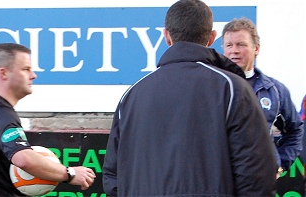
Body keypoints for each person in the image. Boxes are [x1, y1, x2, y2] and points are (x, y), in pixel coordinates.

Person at [102, 0, 278, 196]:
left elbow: (113, 176)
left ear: (167, 36)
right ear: (211, 38)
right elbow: (256, 177)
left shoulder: (132, 95)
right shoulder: (232, 89)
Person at [0, 43, 96, 196]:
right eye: (26, 69)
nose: (33, 75)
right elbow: (24, 158)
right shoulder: (1, 114)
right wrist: (69, 173)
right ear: (3, 73)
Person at [222, 17, 304, 175]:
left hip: (259, 182)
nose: (234, 51)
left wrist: (279, 165)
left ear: (256, 48)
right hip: (221, 183)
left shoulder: (275, 91)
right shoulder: (213, 87)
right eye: (229, 45)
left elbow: (295, 130)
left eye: (241, 44)